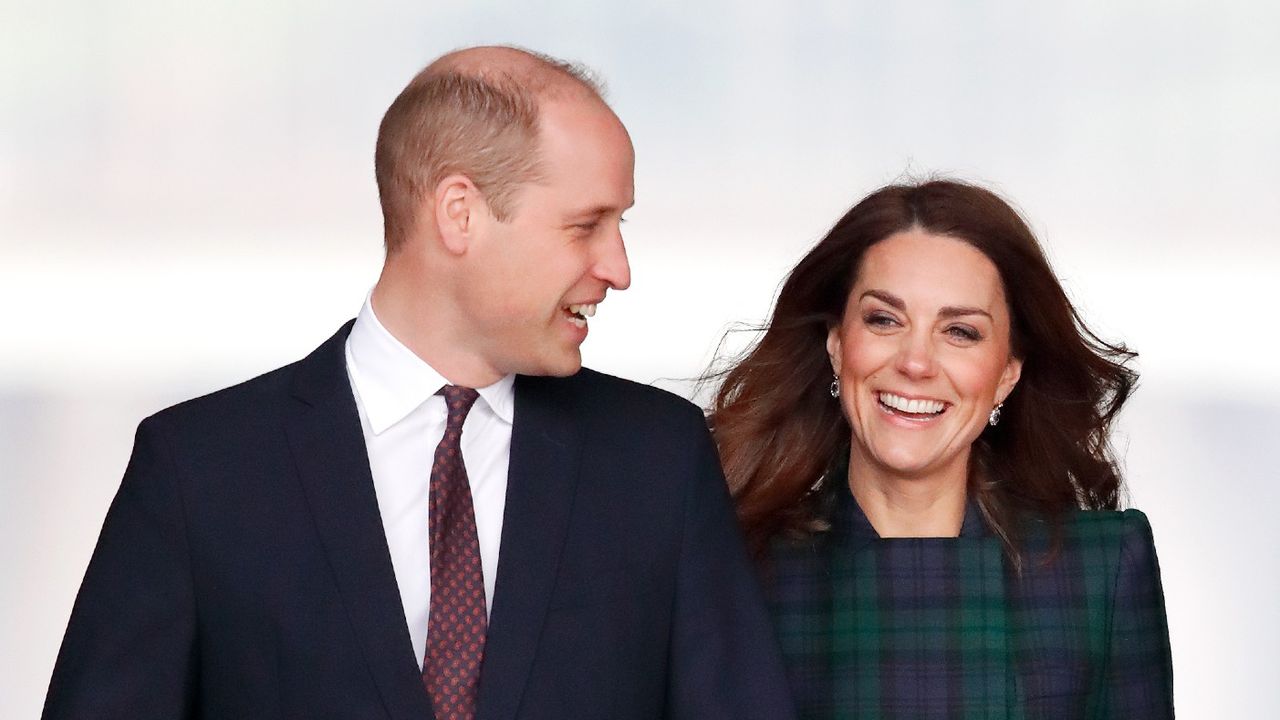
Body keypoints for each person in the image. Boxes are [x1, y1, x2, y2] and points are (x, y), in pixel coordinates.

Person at [43, 46, 796, 720]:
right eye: (585, 225)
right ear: (459, 213)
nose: (617, 269)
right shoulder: (199, 470)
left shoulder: (656, 460)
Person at [710, 179, 1173, 718]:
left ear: (1006, 374)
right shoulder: (736, 568)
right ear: (837, 344)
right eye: (884, 320)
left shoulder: (1101, 569)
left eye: (959, 332)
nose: (916, 362)